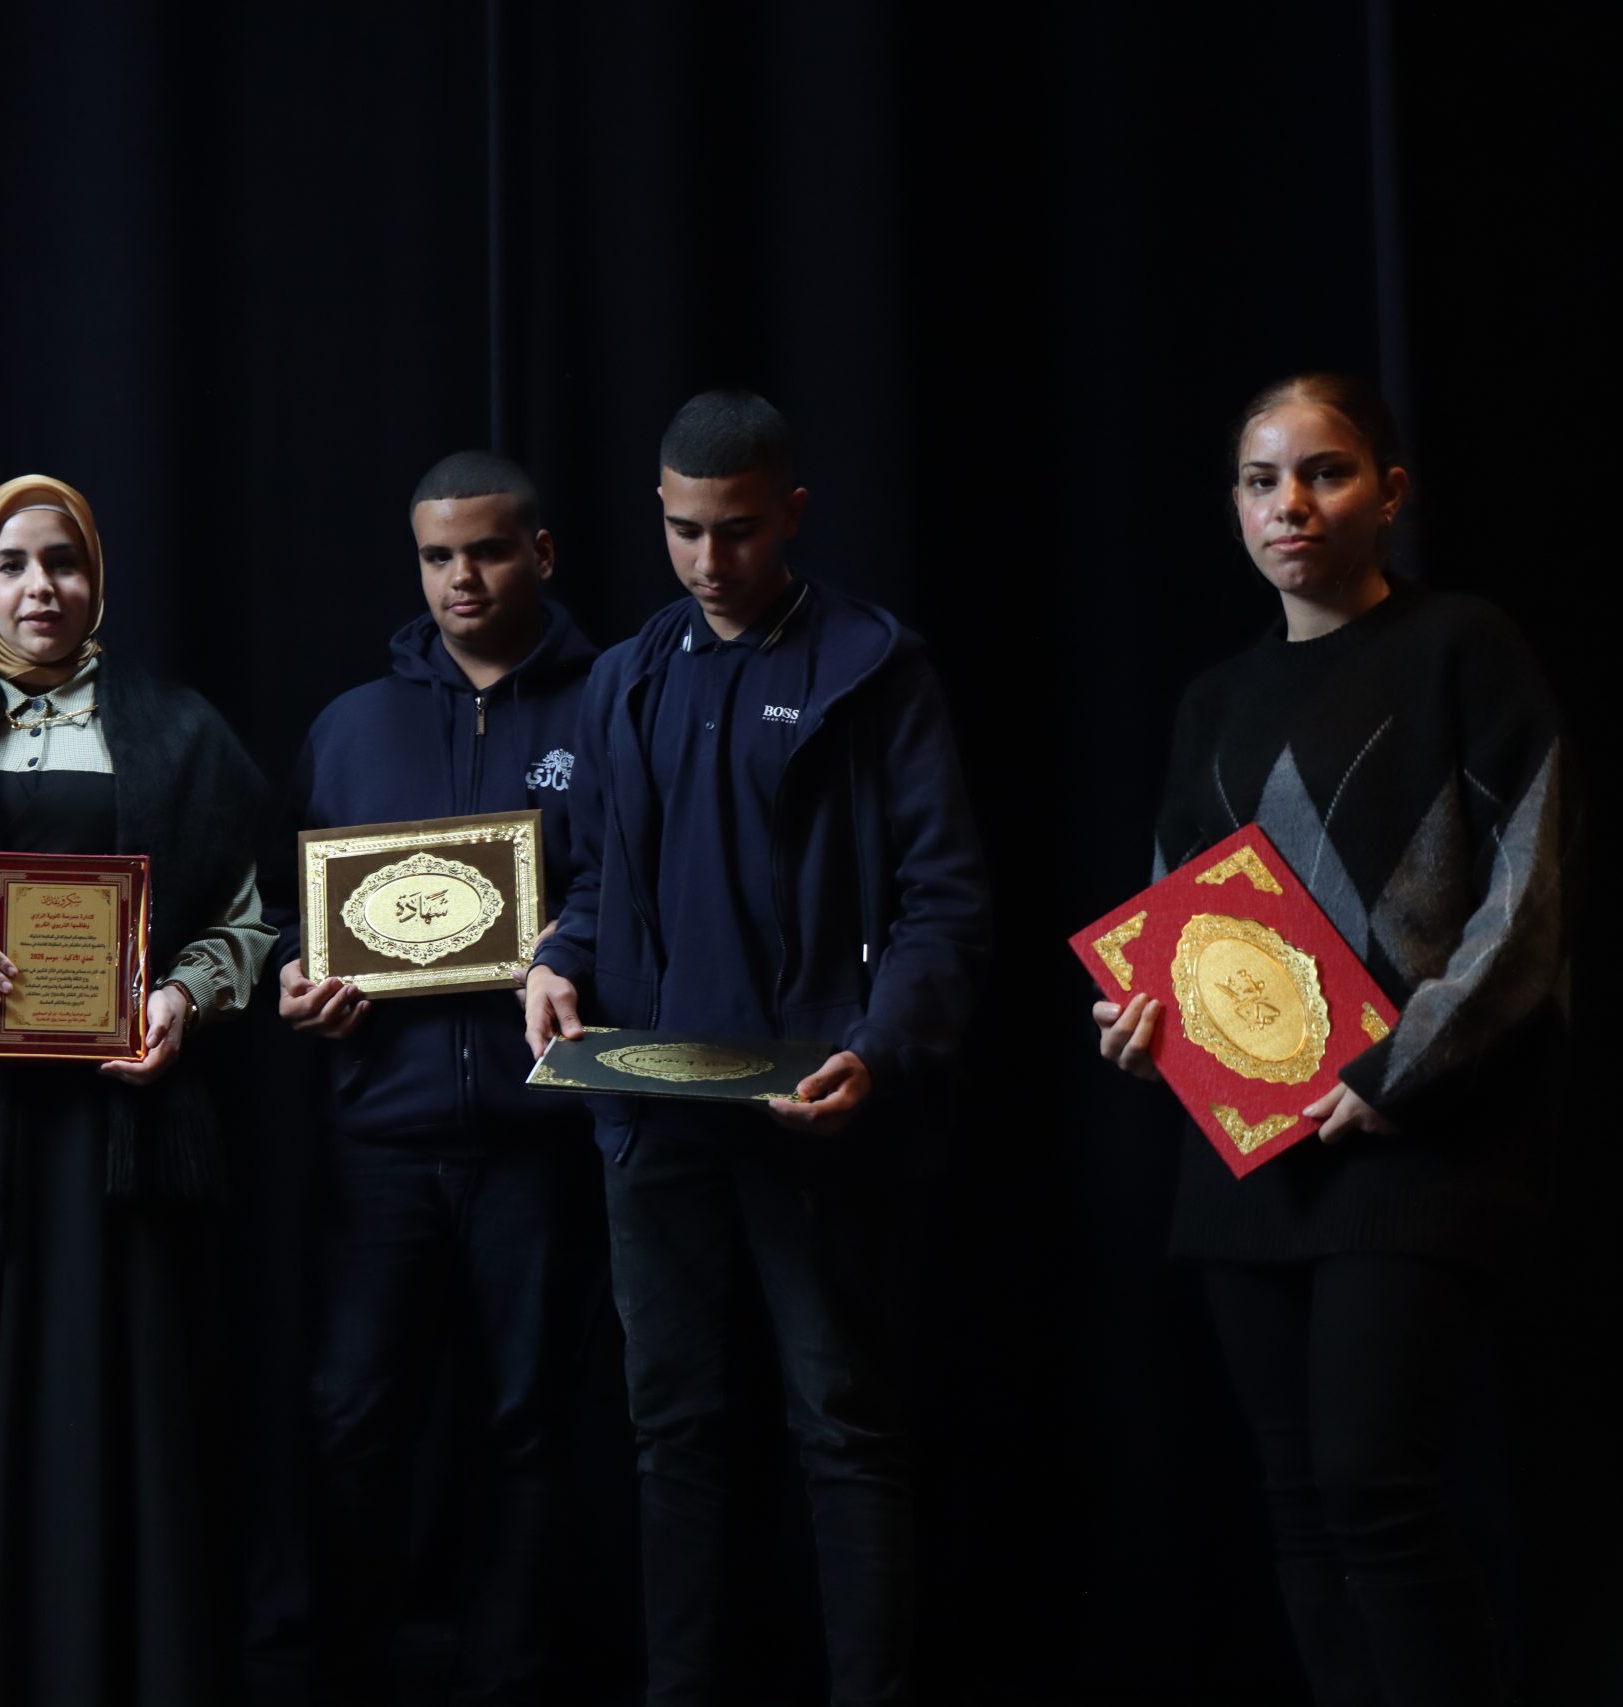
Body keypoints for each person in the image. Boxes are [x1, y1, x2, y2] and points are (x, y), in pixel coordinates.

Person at [1090, 374, 1571, 1707]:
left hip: (1414, 1139)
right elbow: (1172, 920)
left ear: (1389, 492)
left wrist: (1394, 1071)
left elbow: (1527, 900)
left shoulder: (1461, 645)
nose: (1289, 504)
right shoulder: (1212, 698)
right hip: (1249, 1154)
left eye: (1325, 472)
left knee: (1374, 1486)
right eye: (1261, 480)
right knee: (1299, 1504)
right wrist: (1140, 1024)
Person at [525, 391, 991, 1704]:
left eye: (735, 529)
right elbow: (600, 878)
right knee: (670, 1432)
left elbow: (944, 900)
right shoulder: (625, 675)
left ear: (790, 512)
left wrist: (878, 1052)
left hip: (817, 1118)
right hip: (655, 1115)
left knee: (842, 1429)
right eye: (683, 530)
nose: (708, 558)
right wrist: (558, 959)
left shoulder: (873, 666)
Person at [0, 473, 273, 1706]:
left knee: (113, 1409)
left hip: (121, 1143)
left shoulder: (178, 729)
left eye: (64, 562)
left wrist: (183, 997)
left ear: (97, 578)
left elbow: (248, 917)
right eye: (12, 564)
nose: (41, 588)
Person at [267, 450, 599, 1705]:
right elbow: (289, 906)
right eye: (438, 556)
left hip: (542, 1132)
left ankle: (512, 1678)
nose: (464, 577)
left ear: (540, 553)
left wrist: (570, 948)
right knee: (351, 1418)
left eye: (490, 550)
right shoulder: (351, 726)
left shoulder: (605, 706)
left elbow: (630, 886)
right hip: (381, 1136)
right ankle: (347, 1675)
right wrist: (295, 977)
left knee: (529, 1423)